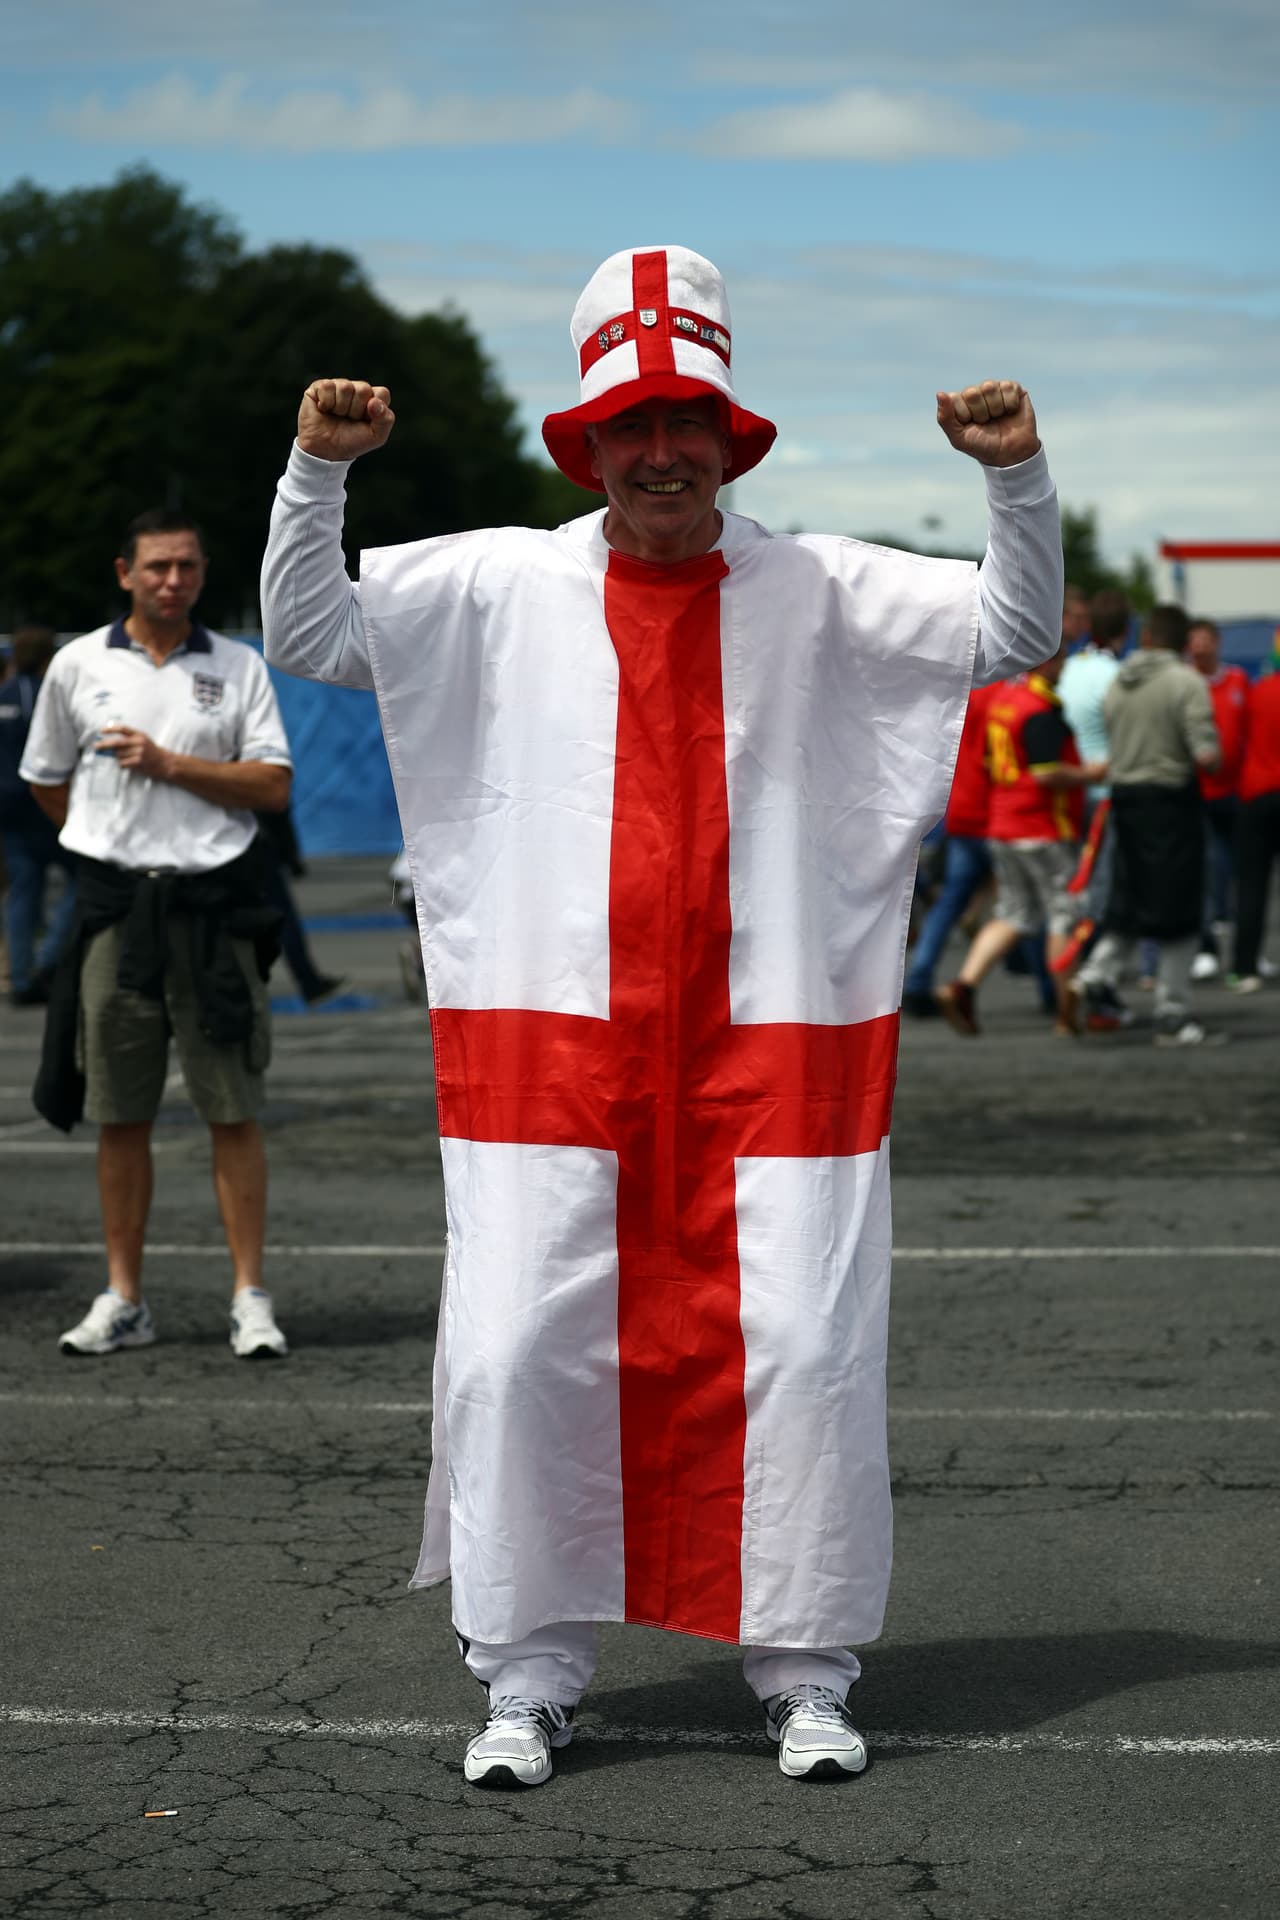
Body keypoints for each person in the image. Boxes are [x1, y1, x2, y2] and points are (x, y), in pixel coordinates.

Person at [260, 245, 1063, 1787]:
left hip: (774, 1057)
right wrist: (318, 472)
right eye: (632, 425)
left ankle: (806, 1669)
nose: (663, 451)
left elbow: (1013, 631)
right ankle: (527, 1675)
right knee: (517, 1354)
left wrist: (1015, 477)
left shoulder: (826, 585)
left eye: (688, 420)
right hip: (552, 1061)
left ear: (730, 438)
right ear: (590, 444)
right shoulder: (498, 583)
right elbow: (307, 633)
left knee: (803, 1352)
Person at [19, 510, 296, 1358]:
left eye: (187, 567)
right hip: (117, 915)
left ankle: (250, 1297)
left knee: (233, 1109)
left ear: (203, 573)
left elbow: (272, 785)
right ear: (125, 573)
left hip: (213, 912)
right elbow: (45, 781)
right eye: (157, 567)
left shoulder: (237, 665)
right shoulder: (78, 663)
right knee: (119, 1114)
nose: (173, 581)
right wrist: (106, 841)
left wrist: (170, 766)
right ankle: (125, 1298)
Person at [936, 640, 1104, 1037]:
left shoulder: (1005, 701)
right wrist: (1093, 775)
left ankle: (963, 986)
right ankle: (1066, 1013)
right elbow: (1046, 773)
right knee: (1063, 915)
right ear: (1048, 661)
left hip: (1003, 824)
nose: (1064, 668)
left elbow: (991, 761)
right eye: (1061, 659)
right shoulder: (1040, 709)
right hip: (1042, 828)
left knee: (1014, 915)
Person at [1071, 604, 1222, 1045]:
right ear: (1182, 642)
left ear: (1149, 636)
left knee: (1129, 900)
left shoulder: (1118, 681)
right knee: (1179, 910)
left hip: (1124, 800)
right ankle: (1172, 1016)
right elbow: (1206, 755)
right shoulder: (1186, 682)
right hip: (1171, 804)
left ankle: (1092, 976)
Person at [1, 625, 78, 1004]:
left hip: (8, 810)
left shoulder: (5, 693)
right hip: (43, 806)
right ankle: (47, 960)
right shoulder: (44, 696)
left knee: (22, 890)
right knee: (83, 880)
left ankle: (20, 975)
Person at [1185, 617, 1249, 979]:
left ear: (1217, 642)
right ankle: (1207, 943)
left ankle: (1243, 948)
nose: (1199, 646)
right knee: (1208, 869)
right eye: (1194, 640)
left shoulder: (1237, 679)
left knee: (1242, 869)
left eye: (1205, 639)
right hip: (1199, 791)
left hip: (1235, 790)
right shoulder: (1185, 682)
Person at [1230, 668, 1280, 992]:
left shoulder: (1257, 690)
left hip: (1256, 794)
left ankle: (1244, 968)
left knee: (1251, 886)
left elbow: (1236, 740)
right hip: (1259, 790)